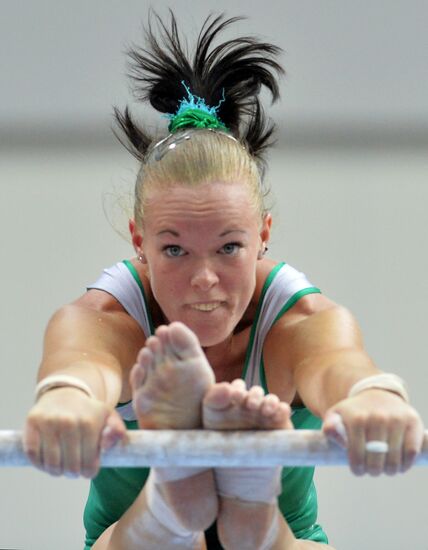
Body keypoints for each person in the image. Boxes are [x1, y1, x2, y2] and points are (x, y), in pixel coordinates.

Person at [24, 12, 424, 550]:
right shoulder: (107, 318)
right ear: (138, 243)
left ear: (263, 236)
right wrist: (67, 402)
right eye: (174, 250)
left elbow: (339, 367)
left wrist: (371, 398)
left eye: (229, 247)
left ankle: (242, 516)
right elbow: (82, 366)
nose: (204, 280)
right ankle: (183, 507)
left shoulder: (300, 320)